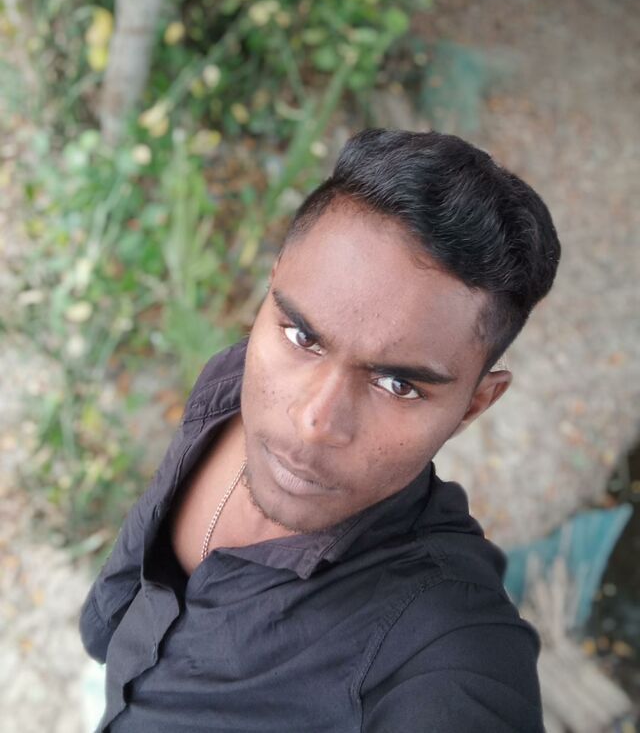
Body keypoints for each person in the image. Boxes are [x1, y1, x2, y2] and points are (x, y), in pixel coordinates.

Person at [80, 128, 560, 732]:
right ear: (273, 285)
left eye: (398, 385)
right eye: (302, 336)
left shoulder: (447, 650)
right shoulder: (235, 376)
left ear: (475, 405)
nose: (314, 421)